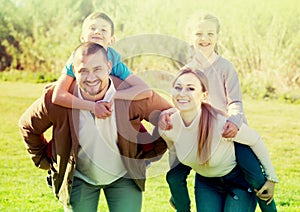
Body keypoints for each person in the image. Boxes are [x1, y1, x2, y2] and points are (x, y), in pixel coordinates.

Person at [18, 42, 172, 211]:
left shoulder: (131, 94)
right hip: (79, 179)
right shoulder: (57, 99)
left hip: (124, 176)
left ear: (109, 66)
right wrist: (46, 161)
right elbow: (27, 126)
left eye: (97, 69)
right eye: (83, 70)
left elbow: (170, 115)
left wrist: (154, 148)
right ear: (73, 71)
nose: (91, 78)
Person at [161, 12, 278, 212]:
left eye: (210, 34)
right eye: (199, 34)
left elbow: (235, 100)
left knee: (253, 174)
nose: (204, 38)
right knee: (174, 175)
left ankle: (270, 206)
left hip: (228, 130)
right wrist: (169, 112)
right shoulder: (187, 69)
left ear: (217, 37)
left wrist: (233, 121)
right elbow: (183, 99)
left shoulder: (225, 67)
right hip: (199, 130)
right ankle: (180, 201)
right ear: (191, 36)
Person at [52, 11, 153, 118]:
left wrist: (113, 95)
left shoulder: (114, 61)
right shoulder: (77, 59)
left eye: (103, 30)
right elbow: (58, 95)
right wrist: (93, 107)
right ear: (82, 38)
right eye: (92, 28)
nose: (98, 32)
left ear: (111, 40)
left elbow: (145, 90)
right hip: (82, 110)